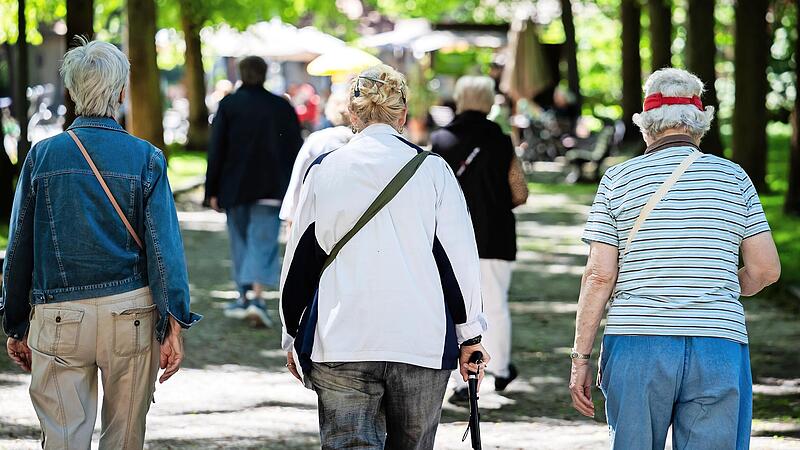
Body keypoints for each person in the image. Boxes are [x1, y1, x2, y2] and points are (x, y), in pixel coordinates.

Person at [2, 38, 200, 449]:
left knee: (62, 439)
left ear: (72, 92)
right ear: (122, 92)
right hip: (130, 313)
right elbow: (164, 251)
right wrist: (173, 322)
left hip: (58, 314)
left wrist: (16, 322)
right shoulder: (146, 158)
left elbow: (19, 244)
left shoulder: (42, 157)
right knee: (125, 436)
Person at [279, 64, 490, 450]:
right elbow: (460, 263)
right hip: (420, 341)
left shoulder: (323, 171)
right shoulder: (434, 172)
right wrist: (469, 335)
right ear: (404, 115)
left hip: (340, 338)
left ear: (353, 115)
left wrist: (291, 331)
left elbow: (300, 261)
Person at [569, 68, 781, 449]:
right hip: (718, 341)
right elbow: (766, 269)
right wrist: (726, 286)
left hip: (637, 340)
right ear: (700, 125)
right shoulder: (733, 177)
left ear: (646, 126)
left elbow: (600, 277)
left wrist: (580, 358)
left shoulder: (618, 180)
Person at [431, 75, 528, 402]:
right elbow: (519, 191)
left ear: (459, 99)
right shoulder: (501, 140)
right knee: (496, 303)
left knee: (454, 307)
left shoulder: (441, 141)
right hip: (495, 233)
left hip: (448, 241)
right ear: (489, 102)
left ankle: (461, 381)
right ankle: (500, 369)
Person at [205, 56, 303, 327]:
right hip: (271, 186)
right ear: (264, 74)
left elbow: (216, 151)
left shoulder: (229, 105)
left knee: (239, 241)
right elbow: (295, 149)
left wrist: (211, 189)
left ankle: (244, 295)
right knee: (263, 242)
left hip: (234, 186)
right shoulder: (281, 107)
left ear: (242, 74)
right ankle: (258, 298)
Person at [279, 89, 353, 224]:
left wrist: (291, 217)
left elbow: (297, 184)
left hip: (317, 219)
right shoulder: (366, 141)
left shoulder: (317, 140)